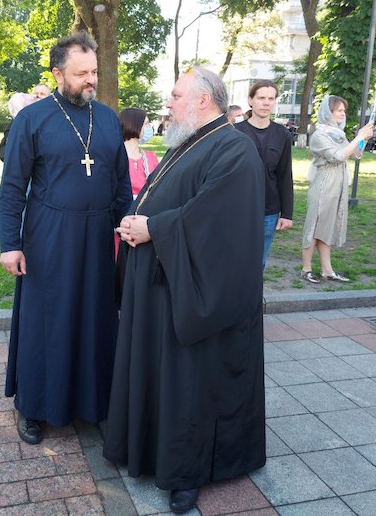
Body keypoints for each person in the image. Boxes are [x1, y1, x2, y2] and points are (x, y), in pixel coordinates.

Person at [103, 67, 266, 514]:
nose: (168, 103)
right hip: (160, 281)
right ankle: (150, 445)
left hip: (194, 291)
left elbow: (216, 220)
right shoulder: (190, 141)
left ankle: (187, 469)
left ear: (203, 101)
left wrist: (153, 227)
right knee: (161, 374)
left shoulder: (233, 149)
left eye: (176, 95)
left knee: (189, 380)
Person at [0, 32, 131, 446]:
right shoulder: (32, 120)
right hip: (48, 237)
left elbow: (121, 184)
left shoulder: (107, 118)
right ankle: (33, 406)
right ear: (58, 74)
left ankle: (93, 405)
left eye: (94, 71)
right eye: (81, 73)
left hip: (95, 237)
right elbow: (12, 187)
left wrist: (127, 225)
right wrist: (10, 243)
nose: (91, 80)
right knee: (45, 322)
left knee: (95, 318)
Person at [300, 95, 374, 283]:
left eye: (344, 110)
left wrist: (363, 139)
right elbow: (339, 156)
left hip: (338, 185)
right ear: (328, 112)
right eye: (339, 110)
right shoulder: (320, 135)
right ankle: (306, 269)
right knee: (314, 226)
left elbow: (356, 154)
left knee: (328, 227)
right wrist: (358, 137)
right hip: (323, 185)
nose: (343, 113)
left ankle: (327, 270)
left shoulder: (338, 134)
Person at [235, 80, 294, 271]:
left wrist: (286, 213)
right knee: (236, 261)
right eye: (261, 98)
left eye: (271, 98)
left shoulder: (282, 134)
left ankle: (252, 301)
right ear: (250, 100)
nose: (266, 103)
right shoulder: (235, 133)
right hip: (238, 209)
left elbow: (285, 175)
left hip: (268, 211)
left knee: (257, 264)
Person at [0, 84, 51, 162]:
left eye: (42, 94)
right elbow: (4, 152)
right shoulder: (20, 119)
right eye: (36, 93)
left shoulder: (52, 121)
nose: (38, 96)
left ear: (49, 98)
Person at [119, 108, 159, 198]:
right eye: (146, 124)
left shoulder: (151, 157)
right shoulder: (116, 157)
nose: (149, 128)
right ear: (134, 125)